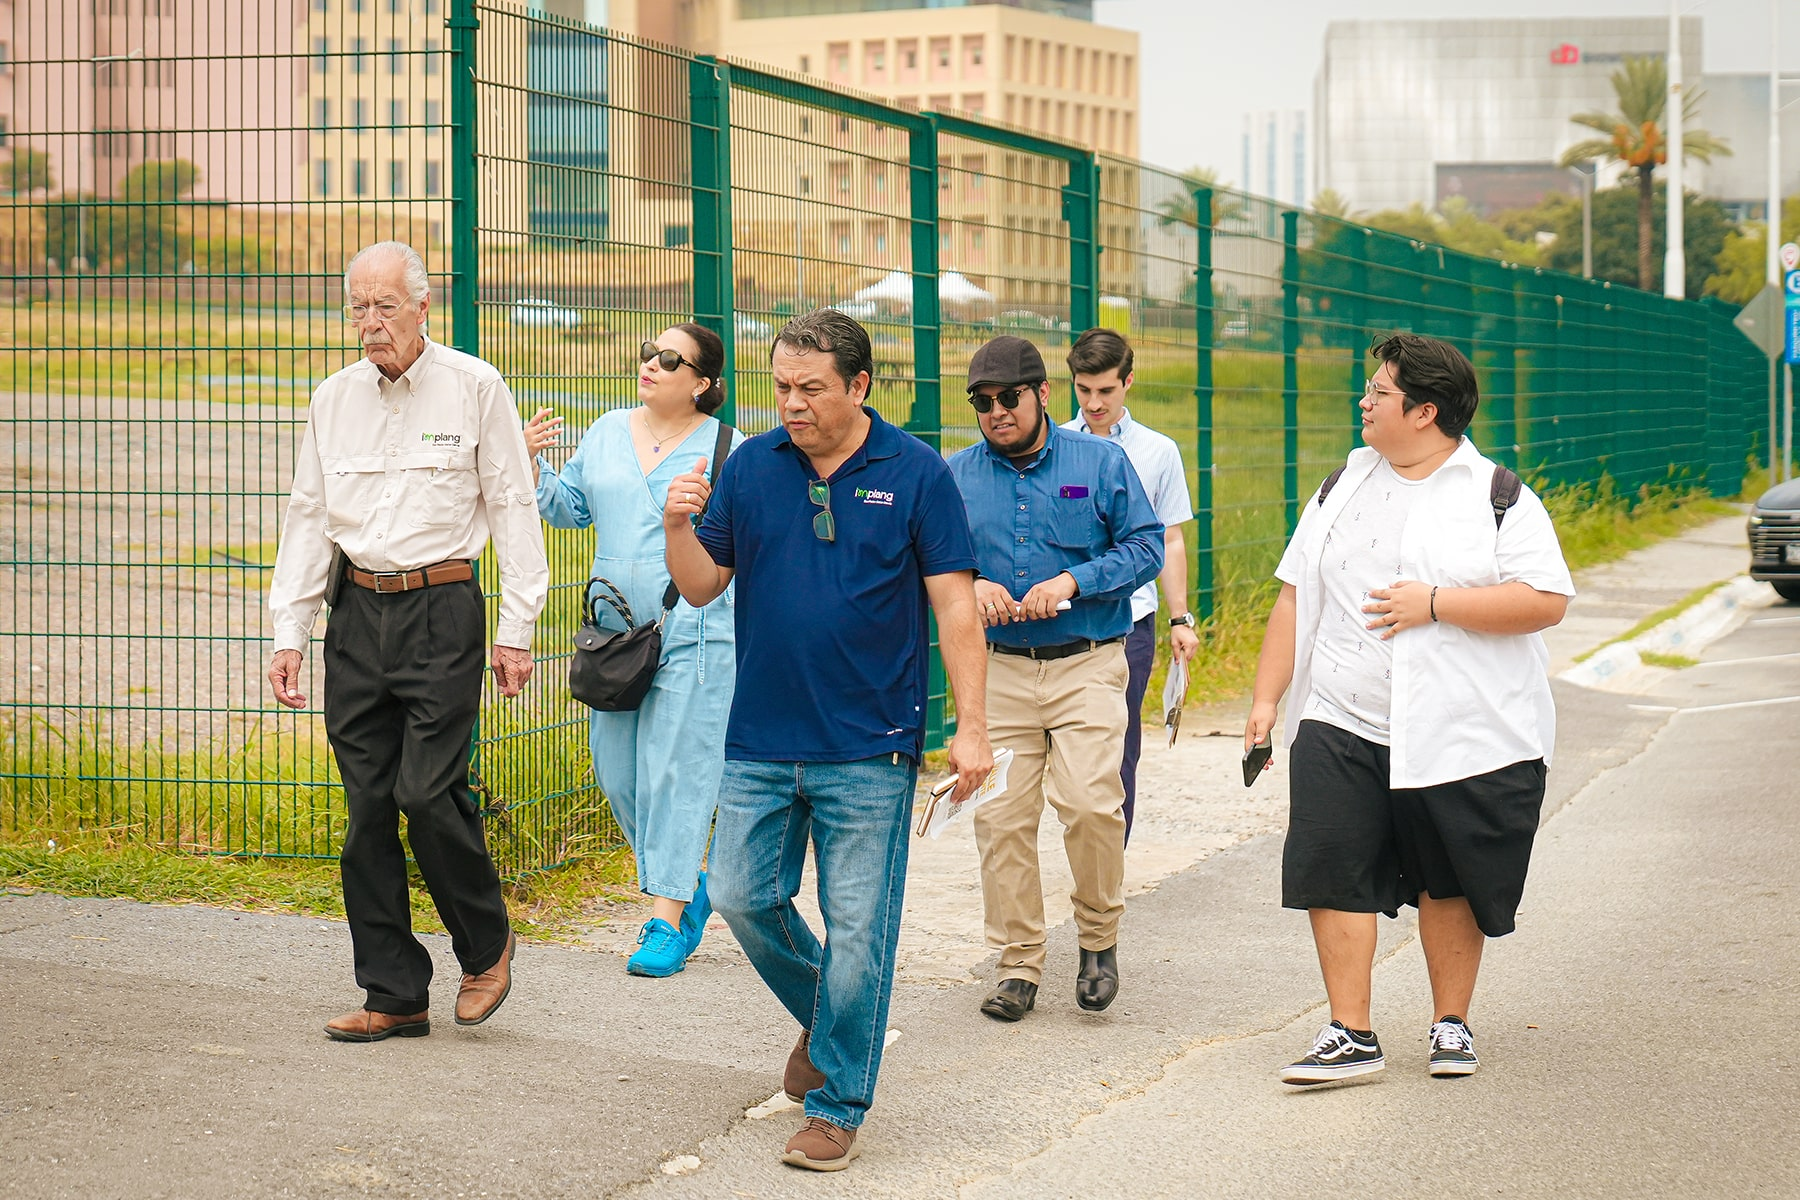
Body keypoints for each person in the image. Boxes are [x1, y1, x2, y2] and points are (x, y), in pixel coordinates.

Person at [662, 308, 992, 1172]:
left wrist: (973, 729)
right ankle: (836, 1018)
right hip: (761, 740)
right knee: (740, 896)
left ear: (860, 385)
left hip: (870, 746)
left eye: (810, 388)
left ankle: (837, 1104)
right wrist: (676, 527)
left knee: (859, 934)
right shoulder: (753, 467)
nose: (792, 404)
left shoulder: (916, 473)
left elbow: (956, 607)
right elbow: (700, 587)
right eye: (781, 387)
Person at [1244, 333, 1574, 1086]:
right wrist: (1266, 698)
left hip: (1457, 729)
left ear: (1425, 411)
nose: (1363, 401)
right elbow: (1294, 596)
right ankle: (1349, 1031)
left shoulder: (1497, 496)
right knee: (1332, 866)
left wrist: (1435, 603)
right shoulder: (1343, 483)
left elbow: (1545, 600)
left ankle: (1450, 1023)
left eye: (1379, 393)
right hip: (1339, 713)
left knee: (1446, 876)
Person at [267, 240, 549, 1043]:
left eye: (385, 306)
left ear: (424, 308)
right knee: (367, 811)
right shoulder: (333, 398)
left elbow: (513, 505)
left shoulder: (475, 386)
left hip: (442, 611)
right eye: (358, 307)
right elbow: (308, 518)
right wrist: (291, 631)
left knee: (425, 792)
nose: (370, 323)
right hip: (357, 615)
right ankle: (393, 993)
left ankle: (486, 945)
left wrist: (517, 630)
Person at [946, 335, 1164, 1024]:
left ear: (1042, 394)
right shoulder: (956, 475)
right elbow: (929, 558)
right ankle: (1018, 964)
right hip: (999, 671)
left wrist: (1074, 580)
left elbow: (1147, 546)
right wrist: (971, 583)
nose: (996, 412)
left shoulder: (1100, 462)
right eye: (982, 402)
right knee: (1001, 820)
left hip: (1087, 662)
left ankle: (1098, 938)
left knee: (1092, 804)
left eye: (1008, 397)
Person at [523, 324, 742, 978]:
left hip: (696, 627)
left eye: (670, 359)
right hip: (616, 630)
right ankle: (687, 884)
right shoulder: (605, 431)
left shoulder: (730, 448)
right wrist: (528, 462)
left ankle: (665, 921)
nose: (651, 363)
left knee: (674, 770)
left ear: (702, 383)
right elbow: (568, 509)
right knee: (617, 773)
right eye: (649, 352)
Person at [1062, 328, 1198, 841]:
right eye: (1083, 390)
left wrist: (1179, 618)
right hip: (1066, 617)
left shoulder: (1158, 451)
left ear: (1128, 382)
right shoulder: (1055, 444)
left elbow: (1170, 539)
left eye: (1106, 390)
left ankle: (1108, 855)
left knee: (1119, 739)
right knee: (1067, 747)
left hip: (1131, 620)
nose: (1094, 403)